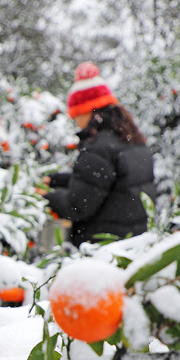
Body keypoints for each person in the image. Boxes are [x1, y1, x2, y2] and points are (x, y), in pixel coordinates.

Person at [39, 62, 155, 246]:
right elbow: (98, 183)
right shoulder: (131, 140)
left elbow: (76, 206)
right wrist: (55, 180)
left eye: (76, 114)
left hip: (103, 246)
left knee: (48, 238)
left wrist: (45, 196)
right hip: (133, 240)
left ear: (88, 111)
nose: (75, 120)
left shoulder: (98, 148)